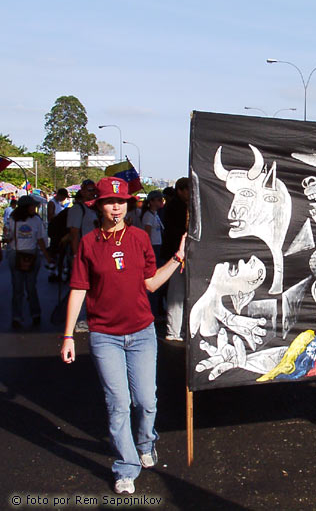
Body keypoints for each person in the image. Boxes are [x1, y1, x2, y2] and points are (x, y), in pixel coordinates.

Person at [60, 176, 186, 495]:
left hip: (142, 333)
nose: (116, 206)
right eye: (109, 201)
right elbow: (78, 288)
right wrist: (68, 335)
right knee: (118, 403)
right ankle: (125, 466)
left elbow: (152, 284)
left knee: (146, 401)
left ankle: (145, 442)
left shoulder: (140, 238)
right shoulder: (89, 243)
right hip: (105, 336)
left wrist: (178, 258)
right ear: (98, 206)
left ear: (128, 205)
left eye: (121, 201)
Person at [3, 195, 53, 328]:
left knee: (27, 287)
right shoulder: (15, 219)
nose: (35, 208)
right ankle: (21, 316)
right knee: (20, 287)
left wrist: (47, 256)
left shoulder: (34, 220)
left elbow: (40, 240)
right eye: (33, 206)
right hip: (19, 254)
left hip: (26, 254)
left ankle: (31, 314)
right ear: (26, 207)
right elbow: (40, 240)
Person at [161, 177, 189, 341]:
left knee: (181, 294)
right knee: (176, 295)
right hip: (175, 256)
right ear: (180, 190)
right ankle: (174, 331)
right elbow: (175, 232)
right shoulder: (175, 207)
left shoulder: (183, 206)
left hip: (182, 256)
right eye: (187, 190)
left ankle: (180, 329)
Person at [141, 190, 166, 315]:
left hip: (158, 245)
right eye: (158, 200)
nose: (161, 202)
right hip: (152, 246)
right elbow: (147, 233)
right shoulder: (148, 216)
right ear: (151, 202)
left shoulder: (155, 214)